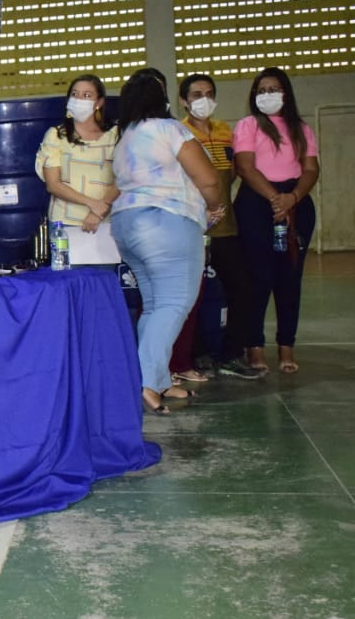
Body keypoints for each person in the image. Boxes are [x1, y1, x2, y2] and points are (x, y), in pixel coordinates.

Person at [110, 70, 224, 415]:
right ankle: (145, 382)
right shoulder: (170, 129)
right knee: (174, 303)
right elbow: (209, 178)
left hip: (127, 226)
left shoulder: (125, 137)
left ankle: (157, 379)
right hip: (166, 224)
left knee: (155, 305)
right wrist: (213, 205)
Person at [232, 67, 320, 374]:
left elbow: (311, 169)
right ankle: (254, 345)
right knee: (258, 277)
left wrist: (291, 198)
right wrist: (275, 199)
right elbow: (245, 167)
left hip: (296, 203)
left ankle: (286, 345)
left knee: (290, 277)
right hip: (257, 203)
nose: (267, 95)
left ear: (285, 93)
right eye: (261, 90)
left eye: (273, 89)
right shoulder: (248, 125)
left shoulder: (301, 128)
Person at [177, 74, 261, 381]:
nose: (204, 99)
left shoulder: (226, 131)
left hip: (226, 229)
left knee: (242, 289)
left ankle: (231, 354)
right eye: (196, 94)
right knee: (192, 295)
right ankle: (198, 354)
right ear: (184, 101)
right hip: (193, 228)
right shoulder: (178, 133)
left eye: (209, 93)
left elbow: (232, 174)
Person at [34, 74, 121, 263]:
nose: (79, 99)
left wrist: (99, 210)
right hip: (65, 224)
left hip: (106, 222)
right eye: (75, 94)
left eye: (87, 95)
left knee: (104, 278)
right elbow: (53, 184)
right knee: (68, 278)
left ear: (99, 103)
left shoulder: (115, 135)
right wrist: (92, 204)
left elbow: (123, 178)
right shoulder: (56, 135)